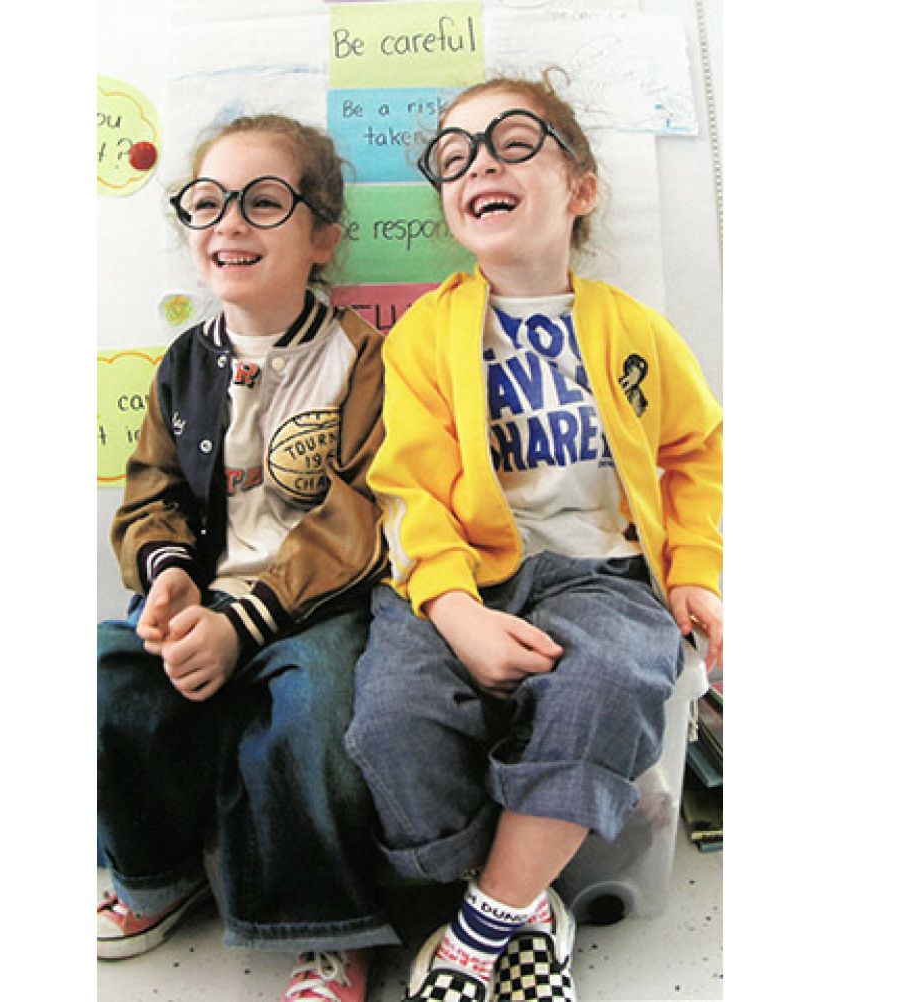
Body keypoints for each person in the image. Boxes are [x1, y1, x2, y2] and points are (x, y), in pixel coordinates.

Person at [344, 73, 723, 1002]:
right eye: (455, 156)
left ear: (580, 187)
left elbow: (696, 452)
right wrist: (453, 610)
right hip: (458, 576)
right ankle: (522, 901)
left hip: (603, 575)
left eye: (513, 143)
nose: (479, 165)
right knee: (392, 719)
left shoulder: (635, 330)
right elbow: (407, 489)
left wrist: (695, 571)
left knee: (615, 681)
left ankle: (479, 932)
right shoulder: (424, 335)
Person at [96, 113, 398, 1002]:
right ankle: (155, 872)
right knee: (106, 678)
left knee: (312, 710)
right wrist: (170, 578)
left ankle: (326, 923)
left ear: (322, 238)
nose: (229, 222)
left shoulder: (363, 359)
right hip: (206, 596)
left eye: (263, 202)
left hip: (318, 605)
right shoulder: (183, 364)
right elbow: (151, 492)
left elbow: (363, 515)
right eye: (208, 202)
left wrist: (245, 623)